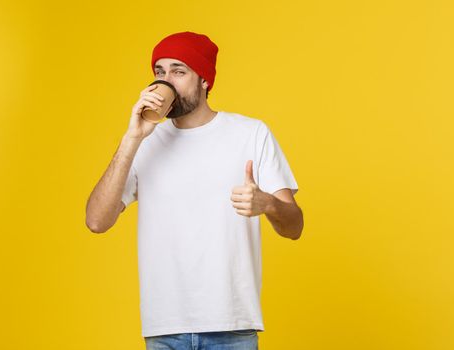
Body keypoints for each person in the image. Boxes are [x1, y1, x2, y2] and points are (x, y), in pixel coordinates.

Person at [85, 31, 304, 350]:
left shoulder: (251, 134)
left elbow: (294, 227)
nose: (166, 82)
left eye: (178, 71)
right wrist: (132, 139)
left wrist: (267, 203)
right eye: (160, 72)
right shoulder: (144, 144)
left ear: (204, 79)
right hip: (165, 328)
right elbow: (96, 221)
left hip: (231, 327)